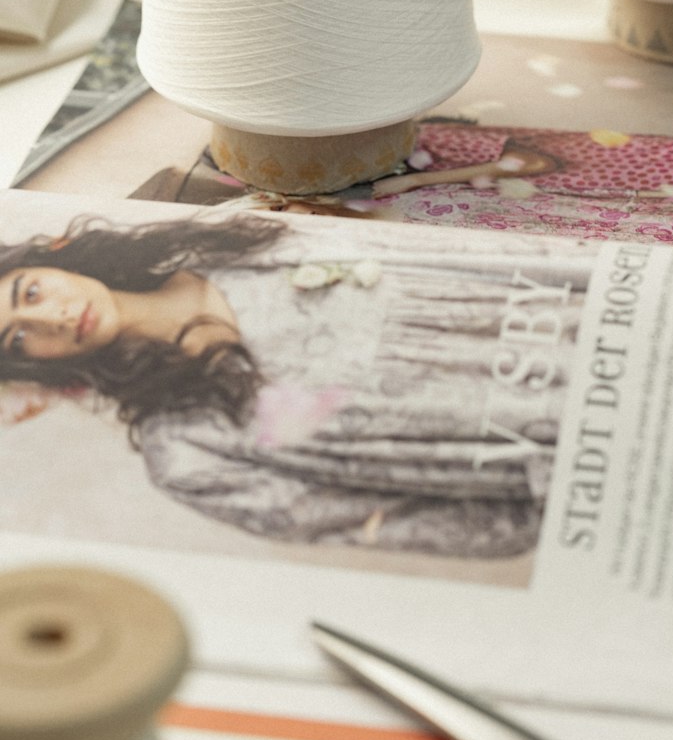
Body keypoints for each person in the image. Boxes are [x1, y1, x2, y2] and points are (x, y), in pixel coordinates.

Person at [0, 213, 590, 559]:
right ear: (33, 369)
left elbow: (468, 253)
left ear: (54, 259)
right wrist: (564, 507)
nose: (48, 319)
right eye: (19, 341)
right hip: (571, 459)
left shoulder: (236, 242)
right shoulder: (184, 450)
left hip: (585, 331)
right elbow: (382, 522)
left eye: (28, 292)